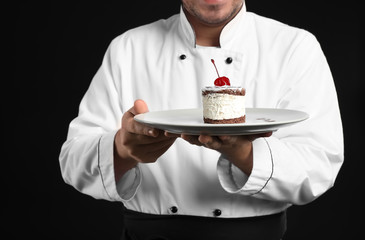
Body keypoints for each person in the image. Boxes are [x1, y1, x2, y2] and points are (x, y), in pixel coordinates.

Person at [59, 0, 344, 239]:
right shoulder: (128, 48)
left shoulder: (294, 47)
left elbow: (319, 166)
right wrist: (122, 149)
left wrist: (244, 153)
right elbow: (72, 160)